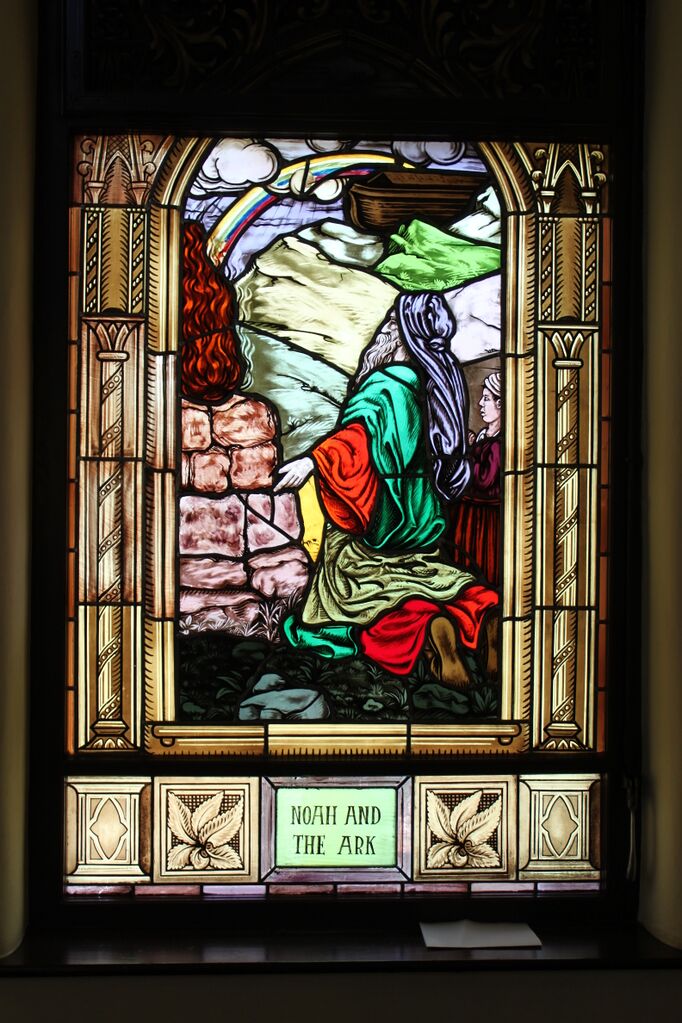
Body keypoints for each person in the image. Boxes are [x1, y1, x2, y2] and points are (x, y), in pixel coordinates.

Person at [275, 292, 498, 688]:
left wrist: (313, 461)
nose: (383, 332)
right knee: (432, 574)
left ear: (399, 334)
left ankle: (425, 626)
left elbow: (358, 437)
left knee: (351, 595)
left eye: (390, 326)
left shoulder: (385, 385)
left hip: (382, 517)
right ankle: (479, 614)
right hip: (422, 514)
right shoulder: (437, 385)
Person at [451, 372, 502, 587]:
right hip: (471, 514)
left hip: (484, 519)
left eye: (487, 398)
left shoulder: (498, 444)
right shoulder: (485, 435)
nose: (481, 403)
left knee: (482, 564)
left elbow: (484, 479)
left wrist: (469, 452)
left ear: (501, 404)